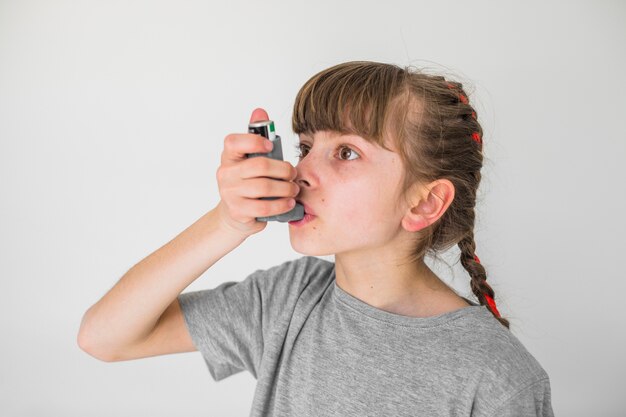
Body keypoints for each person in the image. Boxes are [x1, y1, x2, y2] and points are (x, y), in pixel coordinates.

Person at [78, 61, 554, 416]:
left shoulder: (499, 376)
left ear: (424, 203)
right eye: (306, 147)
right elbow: (104, 337)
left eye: (346, 152)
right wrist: (227, 222)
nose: (301, 171)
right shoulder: (285, 299)